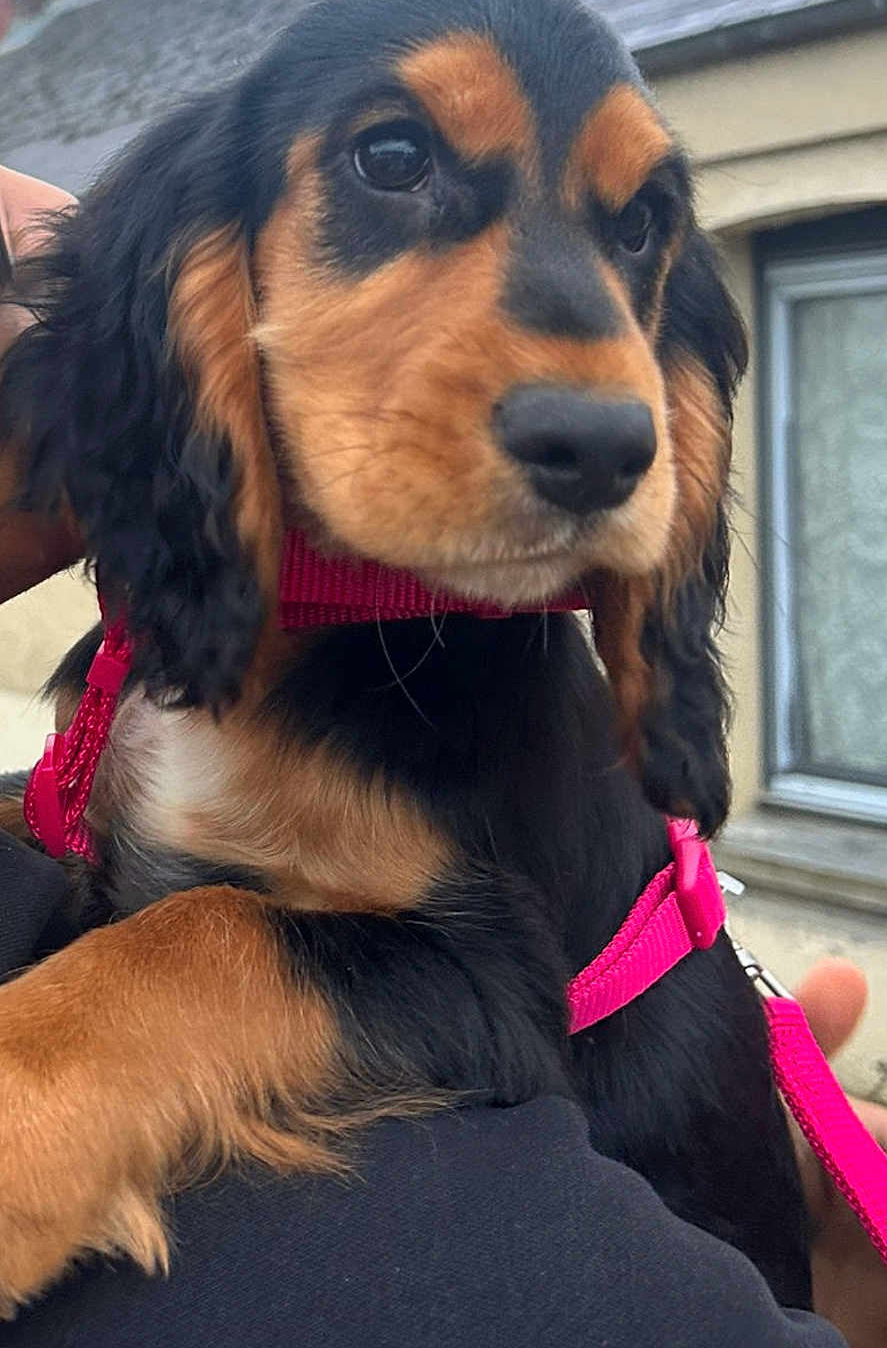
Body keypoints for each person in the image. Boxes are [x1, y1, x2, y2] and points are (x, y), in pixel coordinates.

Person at [0, 163, 883, 1347]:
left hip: (678, 1220)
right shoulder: (132, 670)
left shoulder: (460, 710)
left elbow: (455, 987)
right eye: (392, 168)